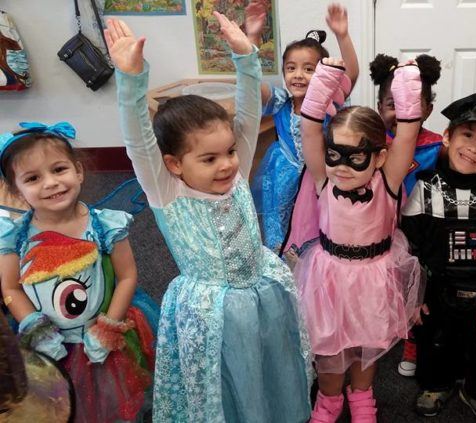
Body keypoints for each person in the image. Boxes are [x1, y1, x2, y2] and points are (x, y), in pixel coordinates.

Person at [106, 10, 311, 422]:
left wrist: (246, 57)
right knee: (224, 385)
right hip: (210, 312)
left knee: (267, 366)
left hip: (261, 295)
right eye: (210, 158)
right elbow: (138, 142)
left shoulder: (234, 175)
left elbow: (249, 114)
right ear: (175, 164)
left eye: (231, 152)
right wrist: (130, 79)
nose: (227, 165)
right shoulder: (167, 192)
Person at [292, 58, 424, 422]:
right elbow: (308, 130)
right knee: (330, 346)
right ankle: (330, 398)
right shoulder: (325, 179)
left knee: (368, 344)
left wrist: (407, 80)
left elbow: (409, 133)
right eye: (334, 155)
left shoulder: (388, 180)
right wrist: (322, 82)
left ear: (380, 157)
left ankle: (362, 394)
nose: (341, 167)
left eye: (355, 158)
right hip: (328, 277)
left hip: (373, 277)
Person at [0, 121, 157, 422]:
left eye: (59, 170)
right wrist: (34, 325)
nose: (50, 183)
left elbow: (127, 276)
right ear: (17, 191)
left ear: (79, 171)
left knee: (111, 402)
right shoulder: (13, 237)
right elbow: (10, 289)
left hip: (99, 335)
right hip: (52, 342)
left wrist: (109, 327)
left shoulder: (106, 224)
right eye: (33, 178)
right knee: (62, 403)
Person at [401, 91, 476, 421]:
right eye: (468, 135)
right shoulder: (426, 188)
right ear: (447, 136)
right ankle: (437, 384)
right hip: (437, 286)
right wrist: (414, 294)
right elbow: (410, 245)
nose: (473, 148)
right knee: (435, 338)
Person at [250, 3, 358, 253]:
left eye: (309, 69)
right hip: (282, 176)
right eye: (291, 68)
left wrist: (342, 35)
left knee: (320, 229)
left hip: (321, 176)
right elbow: (253, 84)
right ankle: (283, 260)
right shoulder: (279, 103)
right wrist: (252, 41)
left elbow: (350, 75)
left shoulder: (331, 104)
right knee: (280, 229)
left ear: (323, 74)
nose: (298, 75)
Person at [369, 52, 441, 378]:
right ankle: (378, 327)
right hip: (380, 227)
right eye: (390, 104)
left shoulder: (440, 146)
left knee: (418, 283)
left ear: (427, 106)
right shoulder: (372, 143)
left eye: (409, 103)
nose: (399, 113)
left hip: (421, 229)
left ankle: (413, 338)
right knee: (382, 281)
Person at [370, 53, 442, 195]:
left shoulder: (437, 147)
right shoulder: (372, 143)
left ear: (428, 110)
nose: (402, 114)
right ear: (380, 108)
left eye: (412, 105)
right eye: (393, 105)